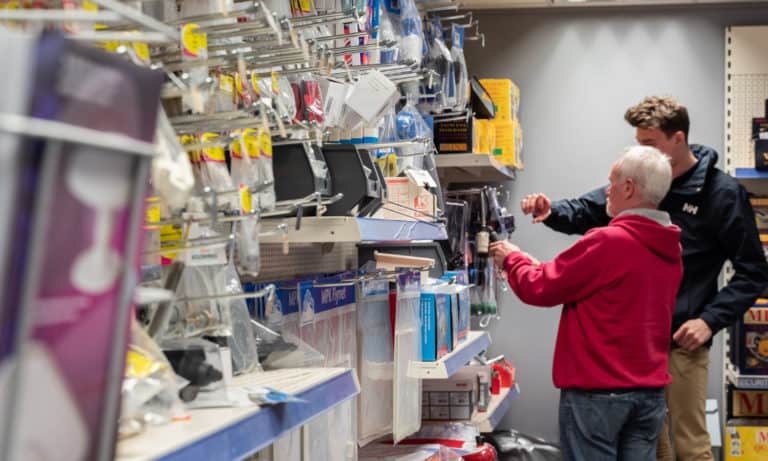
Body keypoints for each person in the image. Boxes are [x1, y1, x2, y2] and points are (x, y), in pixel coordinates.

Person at [520, 96, 768, 461]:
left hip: (685, 339)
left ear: (678, 139)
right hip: (638, 343)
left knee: (690, 444)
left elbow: (753, 272)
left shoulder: (722, 194)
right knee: (656, 447)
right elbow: (590, 208)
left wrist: (709, 321)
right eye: (638, 142)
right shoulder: (640, 179)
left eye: (649, 143)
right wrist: (551, 210)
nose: (641, 151)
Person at [490, 145, 683, 461]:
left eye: (612, 181)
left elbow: (540, 288)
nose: (607, 190)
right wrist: (532, 264)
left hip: (597, 398)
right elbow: (599, 292)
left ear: (629, 188)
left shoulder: (608, 241)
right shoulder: (669, 248)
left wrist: (512, 259)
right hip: (648, 396)